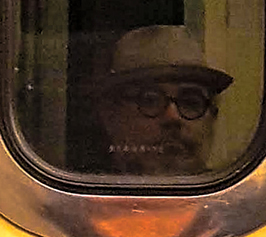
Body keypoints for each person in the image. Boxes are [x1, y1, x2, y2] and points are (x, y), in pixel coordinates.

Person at [93, 26, 232, 175]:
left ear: (212, 119)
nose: (173, 117)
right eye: (150, 101)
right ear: (111, 116)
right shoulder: (89, 187)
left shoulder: (233, 189)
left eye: (191, 103)